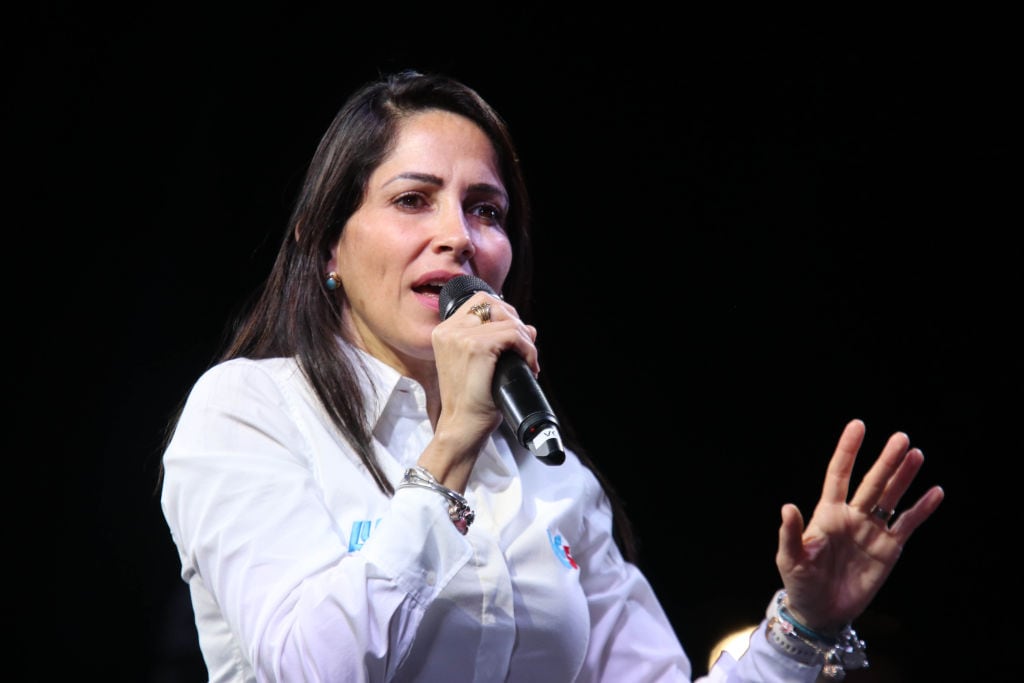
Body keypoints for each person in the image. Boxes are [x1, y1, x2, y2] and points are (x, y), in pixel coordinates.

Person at [159, 69, 945, 682]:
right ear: (327, 244)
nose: (458, 236)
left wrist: (803, 626)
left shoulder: (550, 474)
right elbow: (309, 666)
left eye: (486, 210)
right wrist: (451, 447)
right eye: (413, 199)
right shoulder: (251, 410)